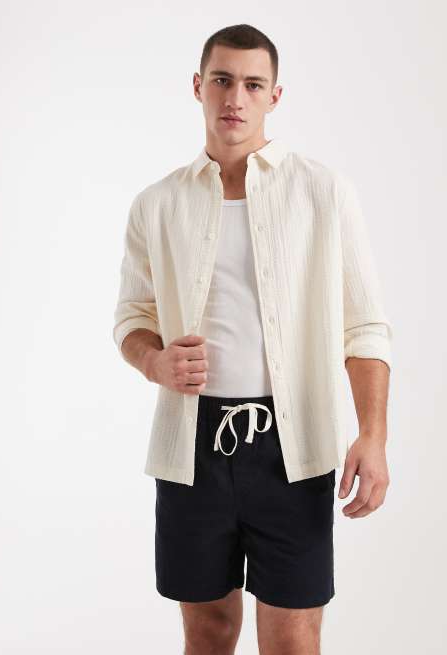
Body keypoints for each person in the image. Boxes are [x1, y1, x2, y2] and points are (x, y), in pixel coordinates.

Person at [113, 23, 392, 655]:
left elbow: (365, 328)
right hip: (192, 448)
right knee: (208, 630)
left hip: (293, 449)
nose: (235, 97)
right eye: (222, 80)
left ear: (274, 95)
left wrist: (373, 436)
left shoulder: (323, 192)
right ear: (198, 87)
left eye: (252, 84)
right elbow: (131, 318)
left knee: (293, 636)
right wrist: (155, 362)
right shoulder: (157, 203)